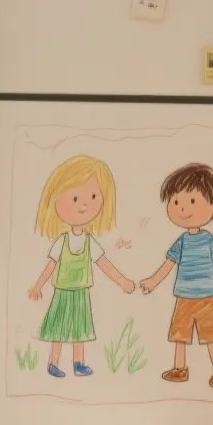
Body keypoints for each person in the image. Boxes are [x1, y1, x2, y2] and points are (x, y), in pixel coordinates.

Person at [26, 155, 135, 378]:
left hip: (81, 291)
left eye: (93, 197)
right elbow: (50, 265)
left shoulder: (89, 241)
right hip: (62, 292)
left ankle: (78, 363)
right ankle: (53, 362)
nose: (84, 205)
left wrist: (123, 281)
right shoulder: (62, 241)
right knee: (58, 326)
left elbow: (104, 264)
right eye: (75, 198)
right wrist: (37, 286)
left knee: (80, 328)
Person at [139, 163, 213, 388]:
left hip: (207, 297)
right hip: (183, 296)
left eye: (192, 201)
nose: (182, 208)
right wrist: (152, 281)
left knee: (210, 335)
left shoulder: (209, 240)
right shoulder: (181, 241)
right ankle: (179, 369)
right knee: (179, 335)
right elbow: (168, 264)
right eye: (175, 202)